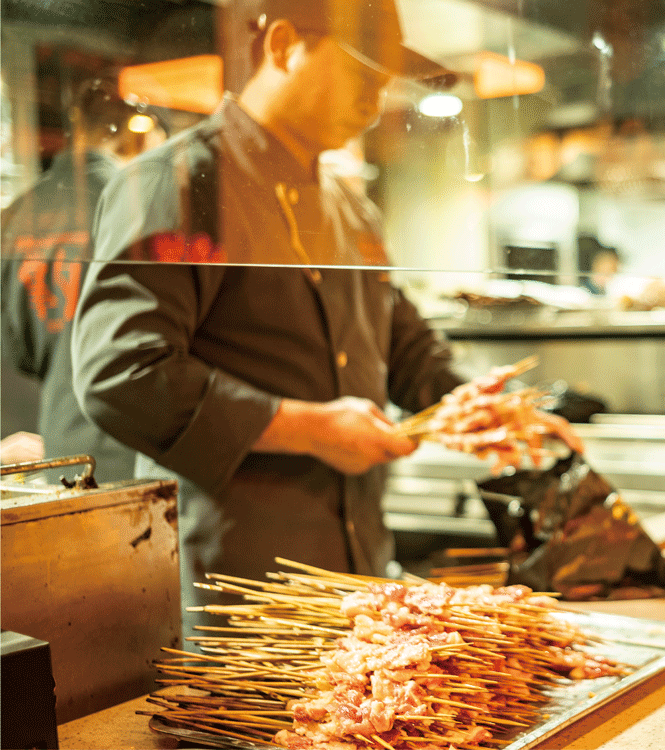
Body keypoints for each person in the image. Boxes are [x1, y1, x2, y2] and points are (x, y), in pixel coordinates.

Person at [69, 0, 540, 638]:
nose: (375, 100)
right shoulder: (179, 183)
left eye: (383, 82)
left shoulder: (351, 210)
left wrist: (477, 404)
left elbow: (405, 347)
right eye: (362, 74)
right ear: (284, 44)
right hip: (242, 595)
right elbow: (122, 374)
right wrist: (310, 429)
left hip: (359, 580)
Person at [0, 79, 164, 479]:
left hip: (55, 449)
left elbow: (14, 350)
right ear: (138, 139)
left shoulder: (15, 216)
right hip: (138, 453)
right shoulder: (142, 211)